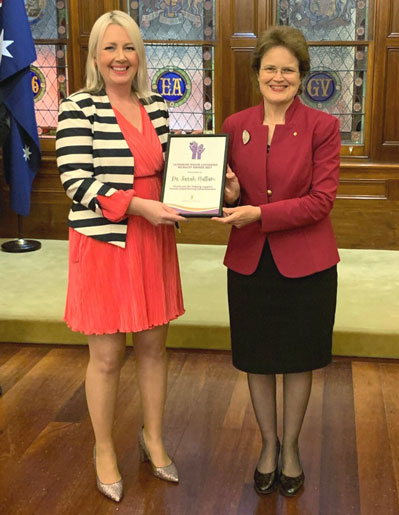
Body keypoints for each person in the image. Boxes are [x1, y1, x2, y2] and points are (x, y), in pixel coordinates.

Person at [56, 10, 186, 502]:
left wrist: (217, 187)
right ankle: (104, 448)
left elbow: (173, 170)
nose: (120, 57)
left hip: (154, 241)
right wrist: (138, 206)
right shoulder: (76, 107)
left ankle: (152, 438)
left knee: (153, 347)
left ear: (140, 55)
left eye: (128, 47)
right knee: (107, 357)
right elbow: (75, 179)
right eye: (109, 48)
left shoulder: (155, 107)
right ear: (94, 56)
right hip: (105, 242)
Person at [213, 25, 340, 497]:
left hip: (306, 265)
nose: (279, 77)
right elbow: (231, 194)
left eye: (289, 69)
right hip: (248, 262)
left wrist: (258, 213)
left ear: (302, 76)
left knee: (297, 359)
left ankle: (291, 448)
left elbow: (320, 201)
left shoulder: (322, 128)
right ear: (257, 73)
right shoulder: (233, 125)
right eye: (271, 68)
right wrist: (227, 195)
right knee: (259, 361)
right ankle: (268, 445)